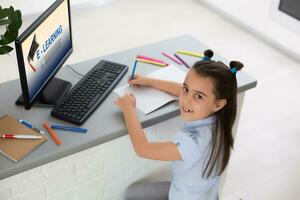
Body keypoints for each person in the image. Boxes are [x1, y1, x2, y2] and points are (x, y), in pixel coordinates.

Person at [114, 49, 244, 200]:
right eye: (186, 89)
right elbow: (186, 91)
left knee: (132, 195)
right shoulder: (221, 118)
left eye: (198, 96)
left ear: (218, 104)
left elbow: (142, 149)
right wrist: (149, 81)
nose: (185, 100)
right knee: (133, 193)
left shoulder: (193, 142)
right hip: (203, 195)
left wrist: (128, 108)